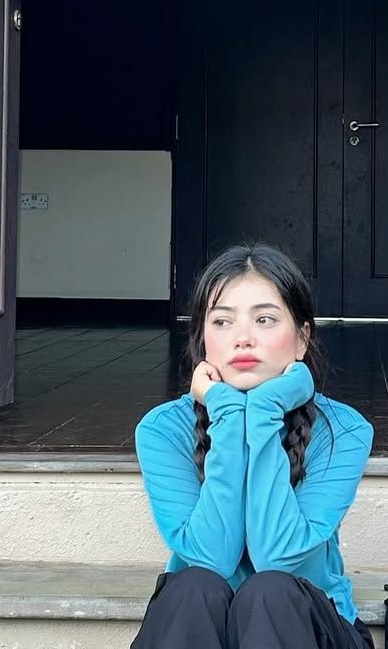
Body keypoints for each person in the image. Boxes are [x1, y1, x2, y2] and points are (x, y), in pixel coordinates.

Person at [130, 243, 375, 649]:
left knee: (269, 592)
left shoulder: (344, 431)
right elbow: (212, 557)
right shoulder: (163, 430)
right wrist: (228, 414)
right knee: (193, 587)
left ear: (301, 339)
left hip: (304, 628)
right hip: (200, 626)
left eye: (264, 319)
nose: (242, 339)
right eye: (222, 322)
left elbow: (277, 557)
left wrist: (264, 410)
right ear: (203, 339)